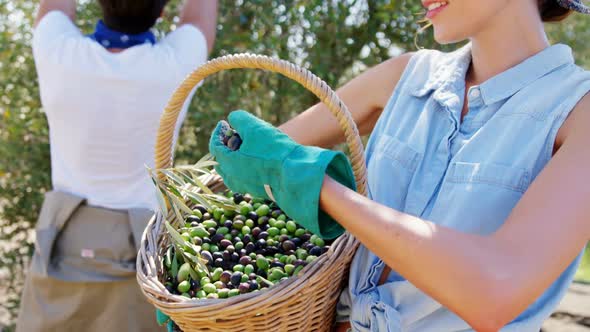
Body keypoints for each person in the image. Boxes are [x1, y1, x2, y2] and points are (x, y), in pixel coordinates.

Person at [209, 0, 590, 331]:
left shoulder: (578, 110)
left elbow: (494, 292)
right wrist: (203, 287)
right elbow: (250, 160)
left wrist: (318, 186)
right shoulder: (405, 77)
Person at [17, 1, 217, 331]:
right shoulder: (175, 65)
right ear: (162, 12)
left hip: (65, 243)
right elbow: (199, 16)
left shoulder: (59, 54)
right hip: (143, 253)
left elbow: (54, 9)